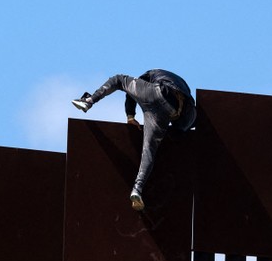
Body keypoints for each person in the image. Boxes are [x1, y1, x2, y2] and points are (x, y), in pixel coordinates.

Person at [72, 69, 196, 211]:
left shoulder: (151, 74)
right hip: (172, 111)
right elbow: (186, 122)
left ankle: (88, 101)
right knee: (148, 151)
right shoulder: (185, 92)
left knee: (119, 79)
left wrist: (130, 116)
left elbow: (130, 94)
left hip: (158, 92)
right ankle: (137, 189)